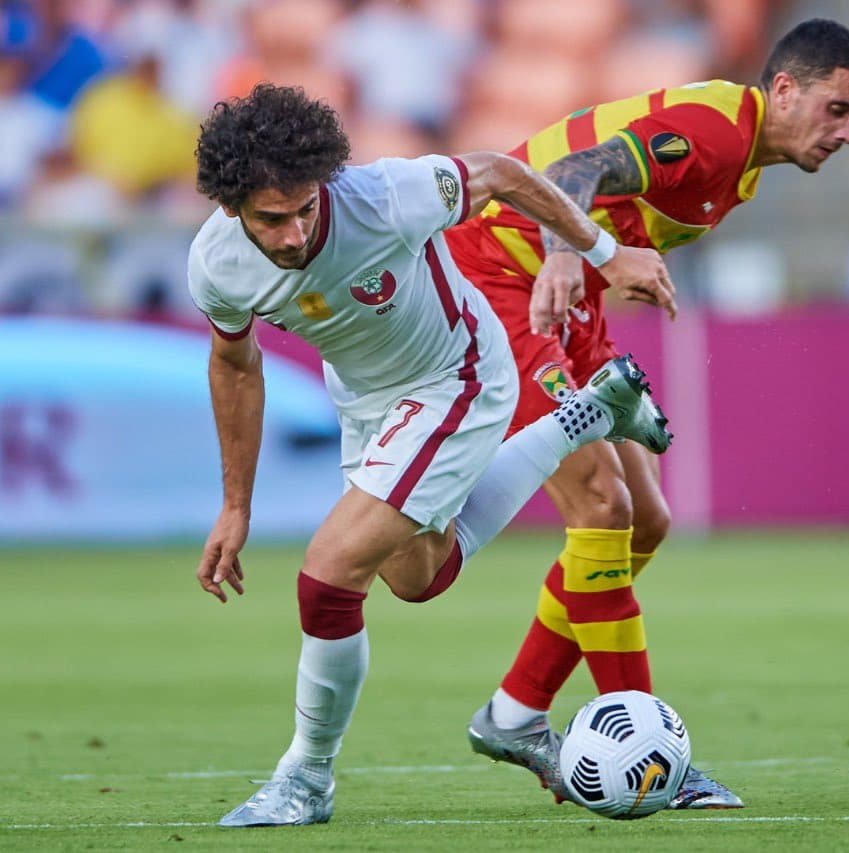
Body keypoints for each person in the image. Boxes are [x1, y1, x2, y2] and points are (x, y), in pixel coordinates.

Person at [188, 83, 676, 827]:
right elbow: (234, 365)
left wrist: (603, 254)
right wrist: (235, 504)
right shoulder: (217, 264)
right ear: (230, 208)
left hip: (459, 373)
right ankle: (589, 413)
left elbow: (506, 175)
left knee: (328, 575)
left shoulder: (387, 196)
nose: (291, 235)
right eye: (270, 219)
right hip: (366, 400)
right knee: (417, 577)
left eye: (304, 209)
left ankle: (306, 777)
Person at [444, 18, 849, 810]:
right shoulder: (711, 135)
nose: (847, 132)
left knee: (646, 517)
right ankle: (654, 763)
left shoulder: (739, 156)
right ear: (783, 89)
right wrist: (572, 254)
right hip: (506, 277)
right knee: (603, 505)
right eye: (837, 109)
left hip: (567, 298)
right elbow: (576, 168)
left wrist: (590, 266)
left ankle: (514, 712)